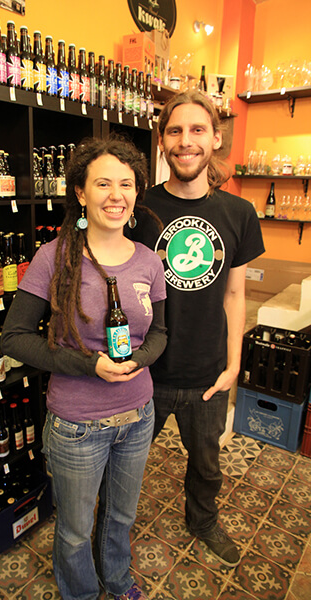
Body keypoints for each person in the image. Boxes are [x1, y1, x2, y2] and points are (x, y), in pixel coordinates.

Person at [1, 136, 167, 600]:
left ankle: (116, 579)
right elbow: (13, 337)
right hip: (77, 424)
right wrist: (88, 365)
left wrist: (140, 359)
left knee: (121, 516)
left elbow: (160, 334)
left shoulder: (149, 262)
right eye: (103, 184)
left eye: (127, 184)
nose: (116, 195)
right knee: (74, 529)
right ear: (80, 192)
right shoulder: (54, 257)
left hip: (138, 416)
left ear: (136, 193)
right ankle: (81, 593)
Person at [127, 90, 265, 568]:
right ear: (162, 141)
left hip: (207, 373)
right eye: (175, 130)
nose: (186, 141)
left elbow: (234, 295)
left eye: (197, 129)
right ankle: (113, 530)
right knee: (124, 466)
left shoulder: (239, 214)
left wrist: (233, 365)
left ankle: (202, 521)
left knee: (207, 466)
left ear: (216, 138)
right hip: (143, 371)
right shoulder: (136, 209)